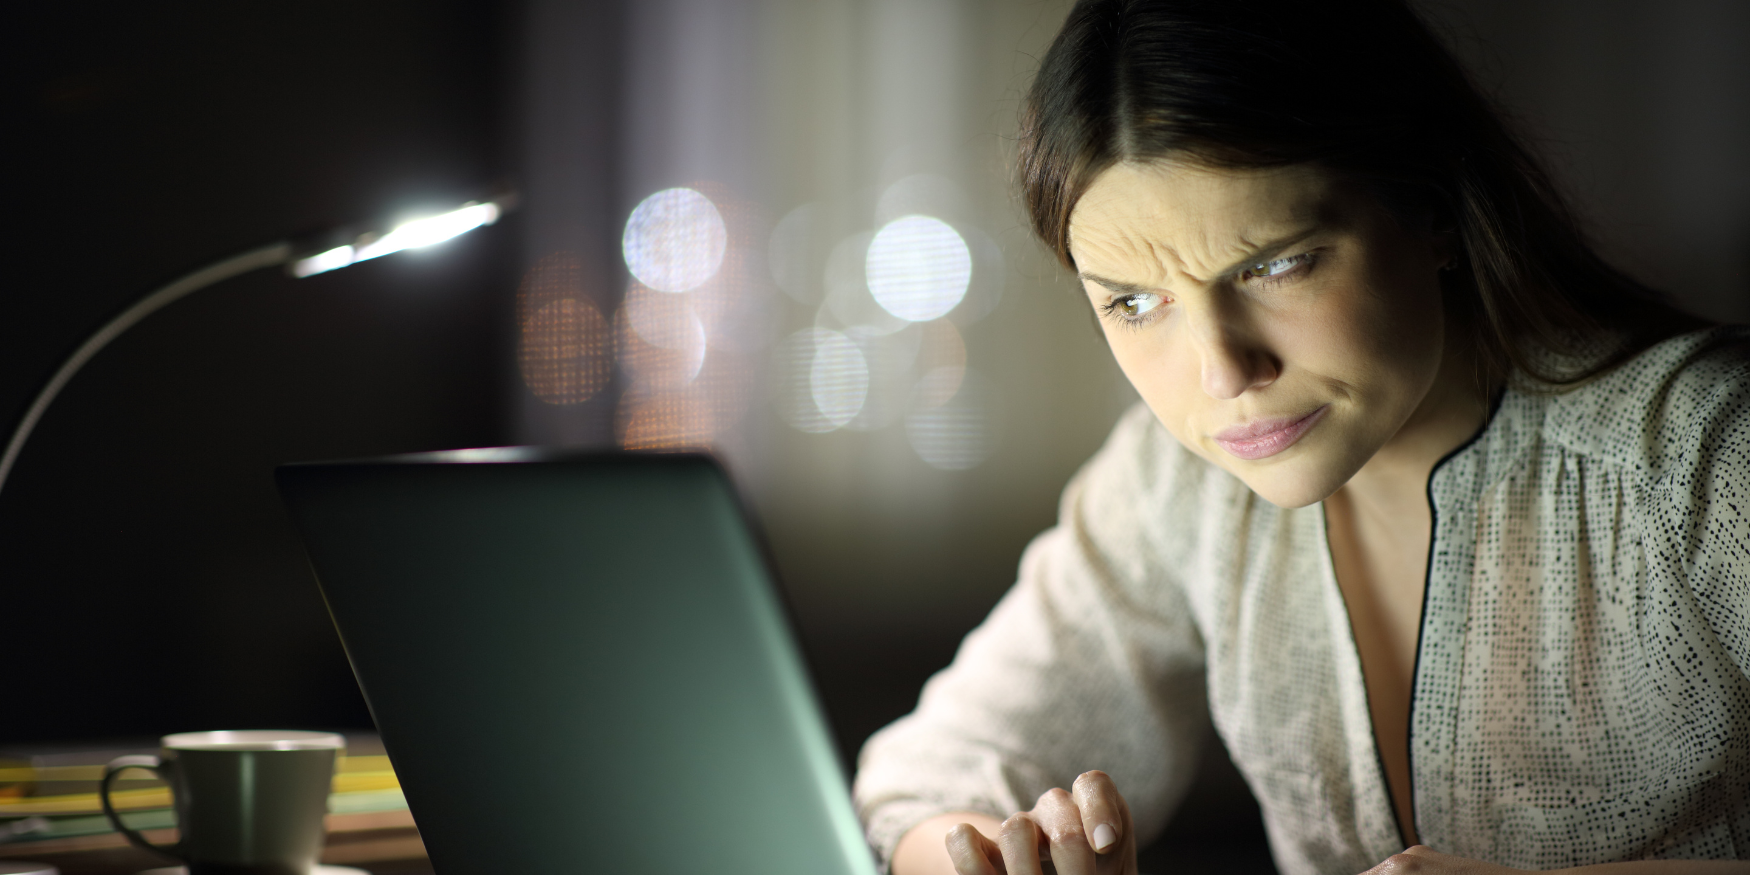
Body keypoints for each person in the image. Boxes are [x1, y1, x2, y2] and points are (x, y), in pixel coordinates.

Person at [850, 1, 1750, 874]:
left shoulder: (1705, 457)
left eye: (1277, 263)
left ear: (1431, 208)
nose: (1223, 372)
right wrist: (1004, 862)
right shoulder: (1177, 484)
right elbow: (929, 778)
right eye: (1135, 302)